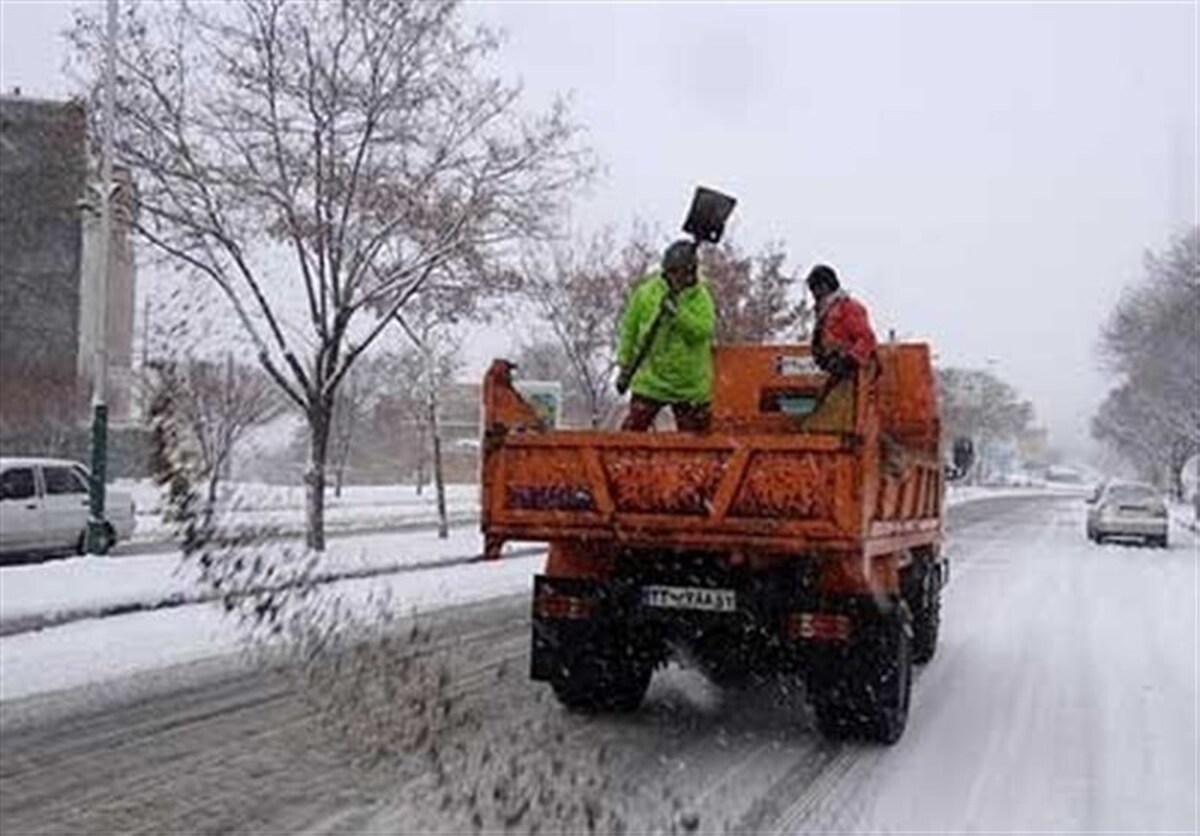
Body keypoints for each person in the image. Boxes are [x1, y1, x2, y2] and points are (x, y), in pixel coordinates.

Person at [616, 239, 716, 431]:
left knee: (697, 442)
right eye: (672, 273)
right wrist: (624, 363)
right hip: (650, 379)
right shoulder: (646, 294)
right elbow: (629, 329)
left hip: (689, 385)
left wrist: (678, 316)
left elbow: (703, 331)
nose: (676, 278)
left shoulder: (701, 299)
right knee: (630, 434)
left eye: (680, 274)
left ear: (691, 273)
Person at [806, 264, 877, 385]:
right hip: (834, 373)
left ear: (826, 286)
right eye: (812, 289)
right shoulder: (824, 313)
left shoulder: (848, 307)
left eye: (816, 288)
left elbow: (867, 338)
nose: (814, 294)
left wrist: (849, 361)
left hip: (849, 376)